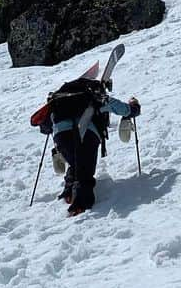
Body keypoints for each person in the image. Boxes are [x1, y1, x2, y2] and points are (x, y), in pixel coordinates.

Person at [32, 77, 140, 216]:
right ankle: (80, 208)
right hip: (87, 133)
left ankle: (69, 192)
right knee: (85, 171)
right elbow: (125, 110)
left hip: (61, 136)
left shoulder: (59, 101)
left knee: (75, 164)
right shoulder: (95, 97)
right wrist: (134, 107)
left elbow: (45, 128)